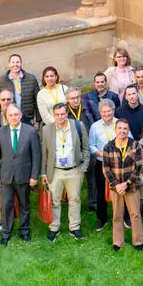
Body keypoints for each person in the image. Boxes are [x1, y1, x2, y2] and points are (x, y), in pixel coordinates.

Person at [0, 104, 40, 246]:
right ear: (6, 117)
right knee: (6, 205)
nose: (13, 117)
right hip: (6, 176)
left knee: (24, 205)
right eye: (10, 115)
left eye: (16, 114)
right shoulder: (0, 132)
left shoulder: (30, 131)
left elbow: (36, 156)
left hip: (24, 175)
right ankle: (6, 233)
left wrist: (34, 176)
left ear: (21, 115)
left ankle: (24, 231)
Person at [40, 103, 89, 242]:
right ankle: (54, 228)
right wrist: (43, 173)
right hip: (55, 170)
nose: (60, 117)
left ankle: (74, 227)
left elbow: (86, 148)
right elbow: (44, 153)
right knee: (54, 200)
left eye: (62, 114)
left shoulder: (78, 126)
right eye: (57, 114)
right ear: (53, 115)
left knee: (75, 199)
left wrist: (83, 167)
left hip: (74, 170)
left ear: (67, 113)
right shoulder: (46, 129)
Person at [102, 119, 143, 251]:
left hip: (131, 186)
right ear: (115, 129)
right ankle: (118, 242)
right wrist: (116, 185)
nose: (122, 131)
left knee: (135, 214)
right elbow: (106, 169)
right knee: (117, 215)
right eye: (120, 128)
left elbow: (139, 167)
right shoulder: (108, 147)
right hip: (116, 188)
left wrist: (127, 183)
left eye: (125, 128)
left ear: (128, 130)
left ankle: (138, 241)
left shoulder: (135, 145)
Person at [88, 99, 120, 231]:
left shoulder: (120, 123)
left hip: (117, 163)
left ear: (113, 110)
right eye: (104, 111)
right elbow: (91, 145)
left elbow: (128, 139)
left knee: (119, 189)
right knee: (100, 191)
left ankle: (122, 216)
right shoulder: (95, 126)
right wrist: (101, 154)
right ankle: (102, 218)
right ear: (100, 112)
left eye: (109, 111)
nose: (106, 114)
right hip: (101, 162)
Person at [0, 54, 40, 126]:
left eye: (17, 62)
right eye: (13, 62)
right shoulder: (1, 81)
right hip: (10, 120)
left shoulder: (31, 79)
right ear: (9, 64)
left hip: (28, 120)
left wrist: (37, 120)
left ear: (21, 63)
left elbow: (37, 101)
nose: (15, 64)